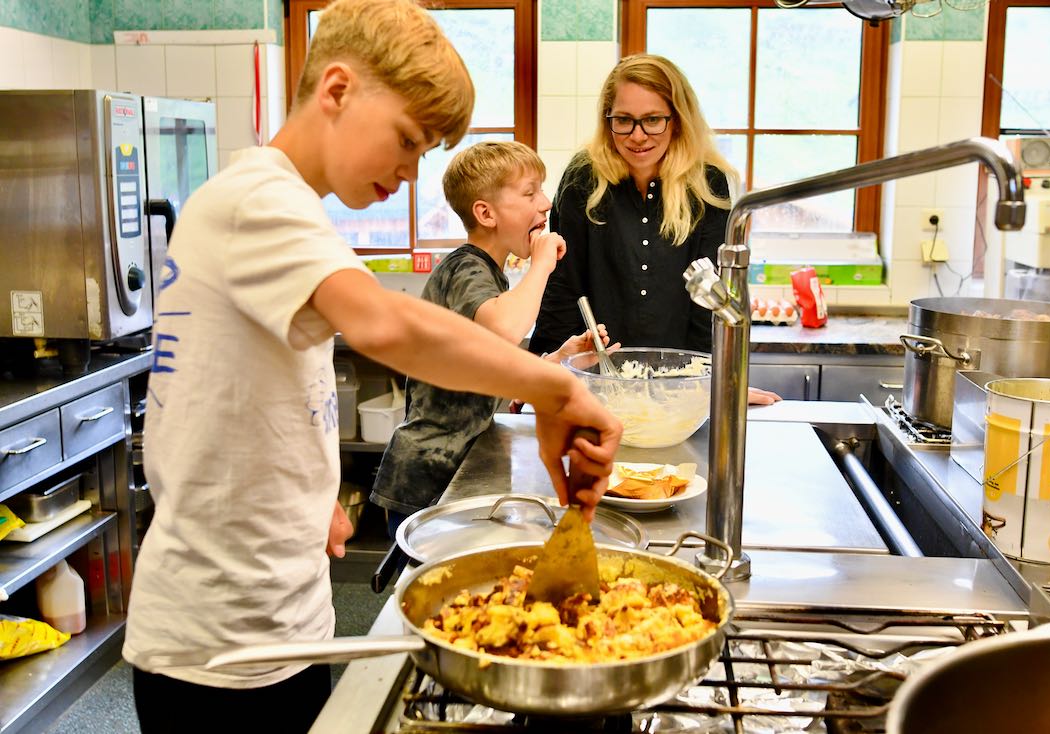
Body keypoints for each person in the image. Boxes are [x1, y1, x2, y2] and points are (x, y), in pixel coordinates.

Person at [120, 2, 621, 732]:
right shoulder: (257, 199)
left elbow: (247, 391)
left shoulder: (278, 204)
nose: (411, 172)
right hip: (218, 652)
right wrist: (555, 385)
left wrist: (309, 492)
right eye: (408, 140)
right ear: (337, 89)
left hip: (282, 619)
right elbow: (385, 323)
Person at [371, 141, 614, 526]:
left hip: (453, 468)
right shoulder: (464, 269)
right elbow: (503, 330)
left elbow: (489, 370)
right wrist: (542, 264)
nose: (546, 203)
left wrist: (558, 358)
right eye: (530, 192)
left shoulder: (489, 276)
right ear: (486, 213)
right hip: (426, 479)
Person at [528, 54, 780, 405]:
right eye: (624, 121)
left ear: (677, 120)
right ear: (607, 120)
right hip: (596, 386)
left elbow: (707, 303)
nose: (637, 136)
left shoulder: (707, 185)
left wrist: (713, 384)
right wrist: (545, 371)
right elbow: (564, 286)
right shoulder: (582, 180)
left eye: (652, 120)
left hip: (681, 388)